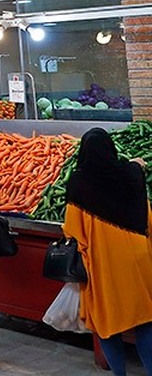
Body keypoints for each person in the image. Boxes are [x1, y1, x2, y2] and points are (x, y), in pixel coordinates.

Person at [63, 128, 152, 375]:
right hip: (138, 261)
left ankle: (119, 373)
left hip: (104, 265)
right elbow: (149, 220)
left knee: (107, 324)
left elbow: (72, 230)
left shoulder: (78, 183)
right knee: (145, 320)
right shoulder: (132, 175)